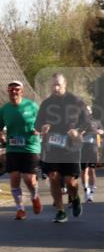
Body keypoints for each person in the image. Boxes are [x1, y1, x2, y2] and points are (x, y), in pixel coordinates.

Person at [35, 73, 93, 223]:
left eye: (58, 85)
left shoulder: (76, 101)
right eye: (53, 85)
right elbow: (37, 124)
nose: (55, 88)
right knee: (53, 177)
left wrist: (78, 131)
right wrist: (43, 127)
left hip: (71, 146)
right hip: (52, 146)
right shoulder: (46, 104)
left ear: (65, 85)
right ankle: (60, 211)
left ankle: (75, 197)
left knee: (70, 181)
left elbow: (87, 121)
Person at [0, 80, 42, 220]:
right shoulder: (4, 109)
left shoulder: (32, 106)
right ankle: (20, 209)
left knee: (29, 180)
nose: (14, 92)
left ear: (22, 91)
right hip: (13, 148)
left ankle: (35, 196)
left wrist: (39, 129)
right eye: (11, 89)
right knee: (14, 178)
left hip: (30, 147)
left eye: (17, 89)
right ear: (8, 91)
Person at [81, 104, 102, 203]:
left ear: (91, 111)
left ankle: (92, 190)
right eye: (85, 110)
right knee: (84, 170)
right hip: (82, 148)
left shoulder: (96, 122)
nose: (87, 111)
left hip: (93, 148)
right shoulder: (79, 122)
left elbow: (101, 130)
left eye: (88, 110)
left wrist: (99, 131)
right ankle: (86, 190)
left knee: (92, 170)